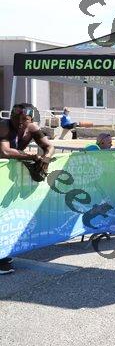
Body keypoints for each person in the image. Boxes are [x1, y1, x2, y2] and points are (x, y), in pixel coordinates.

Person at [0, 103, 55, 274]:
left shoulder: (33, 128)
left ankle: (2, 253)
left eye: (25, 119)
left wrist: (46, 158)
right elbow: (5, 152)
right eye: (17, 118)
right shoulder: (4, 126)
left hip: (6, 176)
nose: (21, 122)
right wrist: (30, 155)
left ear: (31, 119)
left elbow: (49, 147)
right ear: (11, 117)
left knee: (5, 213)